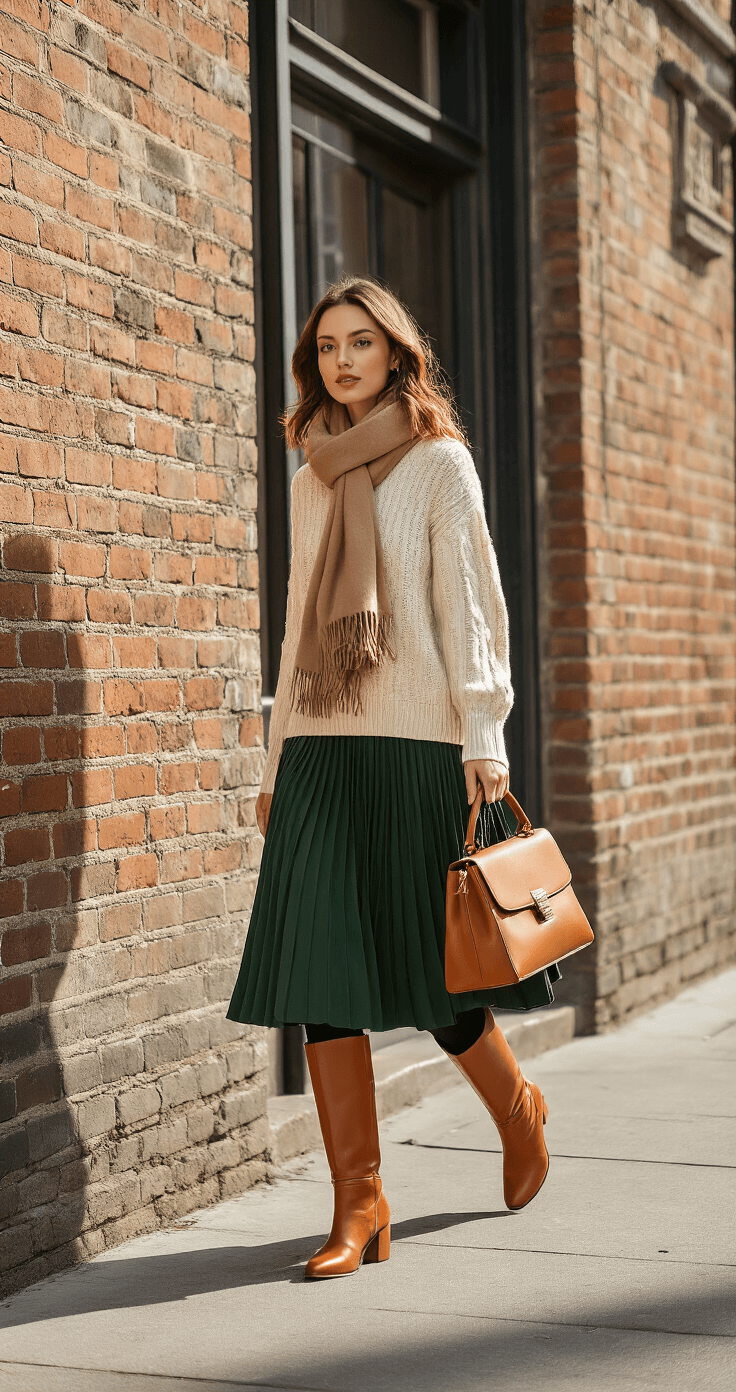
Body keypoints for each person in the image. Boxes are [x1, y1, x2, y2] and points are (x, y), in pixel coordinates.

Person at [227, 276, 559, 1280]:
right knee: (324, 966)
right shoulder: (311, 474)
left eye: (359, 342)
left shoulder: (439, 463)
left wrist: (483, 734)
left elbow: (470, 605)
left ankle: (517, 1104)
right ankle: (359, 1203)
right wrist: (280, 753)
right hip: (327, 744)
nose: (340, 360)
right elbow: (295, 623)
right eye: (325, 345)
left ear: (396, 354)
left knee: (432, 970)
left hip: (419, 744)